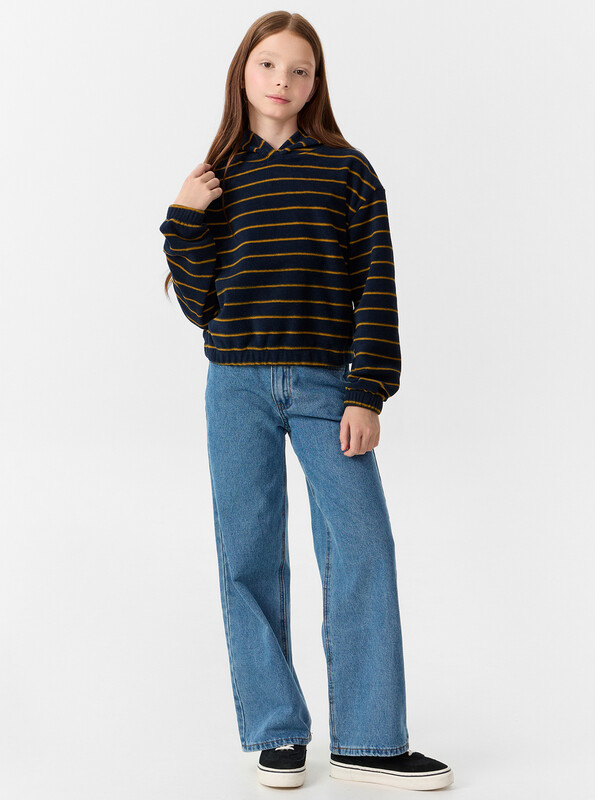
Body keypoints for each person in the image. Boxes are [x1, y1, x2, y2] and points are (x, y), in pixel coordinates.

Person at [159, 10, 454, 792]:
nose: (282, 81)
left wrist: (368, 393)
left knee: (362, 546)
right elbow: (200, 305)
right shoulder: (220, 176)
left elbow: (375, 288)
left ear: (316, 82)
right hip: (236, 385)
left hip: (328, 385)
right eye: (268, 65)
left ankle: (370, 740)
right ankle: (277, 732)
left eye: (299, 69)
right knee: (248, 554)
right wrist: (184, 220)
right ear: (243, 72)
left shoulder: (348, 171)